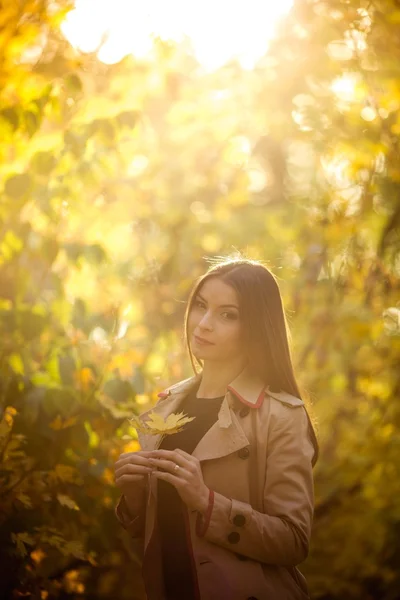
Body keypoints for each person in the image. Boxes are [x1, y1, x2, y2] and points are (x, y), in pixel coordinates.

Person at [114, 257, 319, 600]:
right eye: (201, 305)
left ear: (257, 327)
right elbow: (159, 530)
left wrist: (207, 502)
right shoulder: (167, 406)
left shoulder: (282, 416)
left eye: (228, 315)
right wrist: (134, 498)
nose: (204, 323)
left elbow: (294, 541)